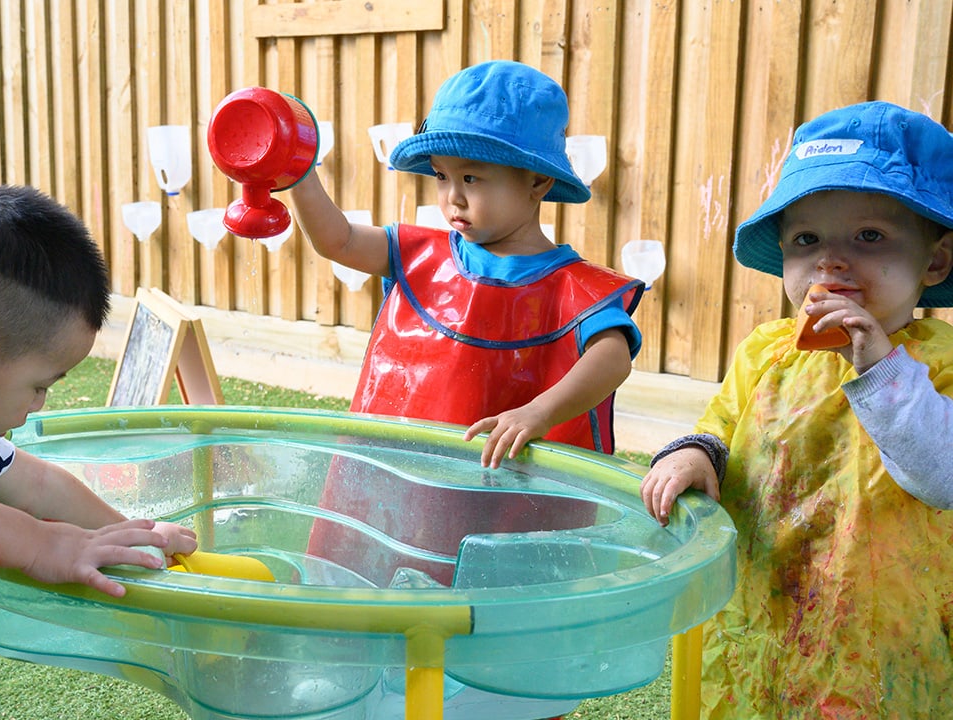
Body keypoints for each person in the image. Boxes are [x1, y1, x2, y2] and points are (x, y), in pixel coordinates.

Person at [639, 101, 953, 718]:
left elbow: (940, 475)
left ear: (935, 261)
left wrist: (881, 366)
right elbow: (721, 427)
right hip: (763, 614)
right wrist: (698, 455)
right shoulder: (767, 351)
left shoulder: (937, 367)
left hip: (884, 641)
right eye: (806, 239)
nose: (830, 262)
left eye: (869, 236)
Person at [0, 185, 198, 720]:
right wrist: (40, 544)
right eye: (40, 385)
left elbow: (37, 485)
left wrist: (130, 538)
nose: (42, 403)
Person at [290, 60, 644, 468]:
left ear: (537, 182)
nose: (452, 197)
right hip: (406, 483)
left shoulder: (573, 289)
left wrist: (540, 412)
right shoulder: (418, 254)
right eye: (441, 176)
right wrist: (299, 172)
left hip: (508, 500)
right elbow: (340, 240)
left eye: (471, 178)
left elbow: (613, 357)